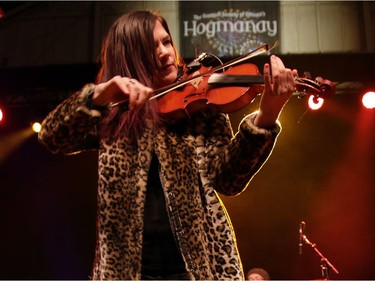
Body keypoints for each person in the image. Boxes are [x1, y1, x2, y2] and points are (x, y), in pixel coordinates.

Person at [38, 10, 297, 281]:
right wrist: (97, 96)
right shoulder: (114, 113)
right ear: (130, 57)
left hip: (195, 268)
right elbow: (51, 138)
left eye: (166, 42)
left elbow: (228, 180)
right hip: (127, 273)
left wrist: (267, 115)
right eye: (151, 48)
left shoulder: (200, 104)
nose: (165, 53)